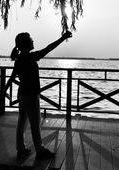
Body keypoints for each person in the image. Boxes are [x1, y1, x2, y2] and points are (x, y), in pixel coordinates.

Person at [4, 31, 72, 159]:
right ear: (25, 44)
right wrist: (63, 38)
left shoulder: (19, 59)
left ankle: (21, 148)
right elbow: (49, 48)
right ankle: (39, 150)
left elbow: (12, 77)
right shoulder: (30, 57)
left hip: (22, 95)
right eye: (31, 39)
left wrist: (5, 90)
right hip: (31, 95)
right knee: (35, 123)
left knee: (22, 122)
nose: (33, 41)